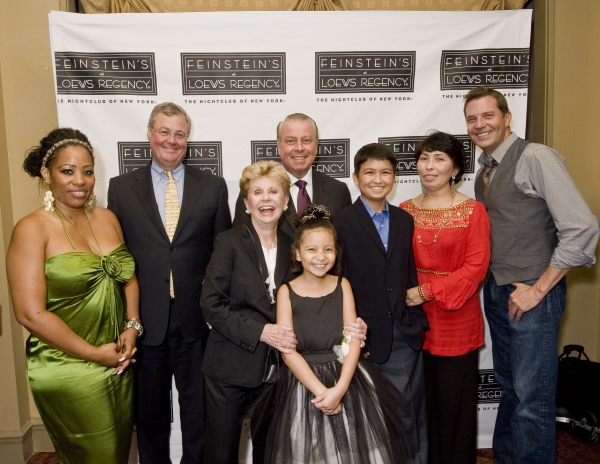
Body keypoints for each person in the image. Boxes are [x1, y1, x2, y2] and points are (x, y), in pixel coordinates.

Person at [464, 86, 599, 464]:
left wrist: (538, 291)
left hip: (533, 295)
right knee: (512, 390)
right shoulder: (485, 170)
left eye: (487, 115)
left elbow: (582, 228)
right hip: (499, 292)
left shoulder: (535, 157)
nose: (479, 124)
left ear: (507, 118)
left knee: (532, 398)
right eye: (472, 119)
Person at [201, 161, 366, 464]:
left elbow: (317, 296)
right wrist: (261, 331)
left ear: (285, 200)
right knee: (221, 454)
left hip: (279, 373)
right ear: (247, 202)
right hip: (230, 368)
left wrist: (353, 328)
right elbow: (211, 306)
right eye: (257, 192)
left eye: (274, 191)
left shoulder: (297, 245)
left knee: (272, 453)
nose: (266, 199)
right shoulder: (228, 242)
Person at [107, 102, 231, 464]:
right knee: (149, 415)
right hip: (145, 321)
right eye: (164, 132)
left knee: (199, 414)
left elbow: (222, 255)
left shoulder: (212, 186)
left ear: (187, 140)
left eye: (180, 134)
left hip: (196, 321)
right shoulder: (120, 188)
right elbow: (117, 258)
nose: (171, 141)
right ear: (149, 134)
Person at [7, 128, 140, 464]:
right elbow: (29, 313)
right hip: (67, 366)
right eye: (67, 171)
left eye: (87, 171)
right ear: (46, 174)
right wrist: (94, 354)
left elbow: (128, 278)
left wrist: (131, 327)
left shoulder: (107, 218)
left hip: (116, 361)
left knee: (116, 453)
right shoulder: (31, 228)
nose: (79, 180)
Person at [251, 204, 411, 464]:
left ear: (336, 252)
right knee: (309, 452)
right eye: (311, 249)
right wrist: (321, 392)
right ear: (297, 254)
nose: (320, 256)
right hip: (303, 386)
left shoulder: (342, 285)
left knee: (353, 452)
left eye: (328, 249)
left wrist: (339, 389)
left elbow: (352, 339)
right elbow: (288, 351)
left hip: (347, 380)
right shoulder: (286, 292)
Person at [334, 143, 430, 464]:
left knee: (408, 417)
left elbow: (408, 272)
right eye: (370, 173)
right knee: (364, 423)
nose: (378, 179)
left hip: (403, 335)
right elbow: (337, 282)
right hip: (363, 337)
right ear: (355, 177)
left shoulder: (404, 219)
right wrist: (351, 337)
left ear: (395, 177)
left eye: (386, 172)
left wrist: (414, 321)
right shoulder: (341, 222)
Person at [399, 131, 490, 464]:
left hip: (455, 323)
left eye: (439, 158)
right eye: (424, 158)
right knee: (418, 407)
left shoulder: (472, 211)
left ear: (455, 168)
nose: (429, 166)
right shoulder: (404, 210)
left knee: (454, 411)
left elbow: (475, 268)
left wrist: (426, 291)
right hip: (413, 324)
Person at [233, 112, 352, 237]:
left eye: (306, 140)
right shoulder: (254, 191)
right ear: (279, 146)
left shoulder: (338, 191)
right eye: (291, 141)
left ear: (316, 146)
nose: (299, 148)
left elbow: (346, 243)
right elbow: (240, 241)